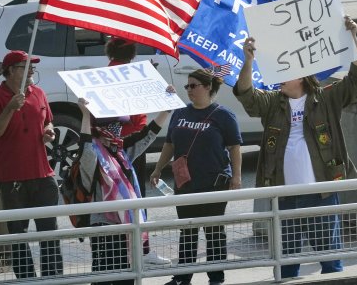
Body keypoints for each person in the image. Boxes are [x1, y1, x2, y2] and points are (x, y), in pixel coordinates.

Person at [233, 16, 357, 279]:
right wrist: (248, 60)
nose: (278, 78)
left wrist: (353, 37)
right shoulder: (274, 102)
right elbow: (247, 95)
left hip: (321, 191)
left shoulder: (326, 98)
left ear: (301, 75)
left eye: (284, 72)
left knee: (330, 259)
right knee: (287, 262)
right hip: (284, 193)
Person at [150, 68, 242, 285]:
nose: (189, 90)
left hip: (214, 183)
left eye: (193, 86)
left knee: (214, 232)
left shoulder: (224, 115)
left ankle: (216, 277)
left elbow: (234, 147)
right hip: (185, 183)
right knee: (188, 231)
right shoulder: (181, 113)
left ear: (208, 87)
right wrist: (158, 168)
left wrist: (236, 176)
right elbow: (169, 144)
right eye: (187, 86)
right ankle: (183, 277)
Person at [77, 91, 174, 285]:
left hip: (126, 226)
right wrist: (85, 115)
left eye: (120, 125)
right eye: (113, 125)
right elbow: (86, 147)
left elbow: (146, 135)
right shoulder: (92, 154)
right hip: (103, 226)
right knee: (104, 277)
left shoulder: (121, 151)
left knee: (128, 276)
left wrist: (166, 109)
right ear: (100, 128)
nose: (118, 130)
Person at [0, 50, 63, 279]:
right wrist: (9, 109)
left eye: (32, 66)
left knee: (49, 232)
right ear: (11, 71)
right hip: (11, 177)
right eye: (26, 66)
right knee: (18, 234)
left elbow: (48, 121)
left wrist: (49, 131)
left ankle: (53, 280)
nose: (32, 70)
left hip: (43, 174)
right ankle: (27, 281)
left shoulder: (39, 93)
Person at [104, 36, 170, 266]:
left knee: (121, 199)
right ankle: (141, 250)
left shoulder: (112, 72)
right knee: (136, 197)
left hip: (119, 143)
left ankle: (134, 249)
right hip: (131, 143)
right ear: (132, 52)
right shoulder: (125, 74)